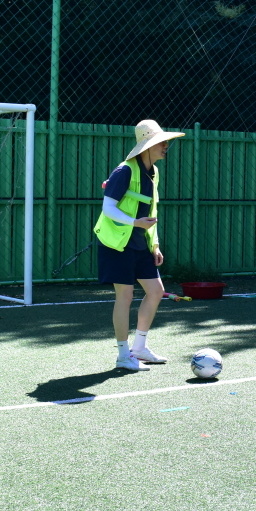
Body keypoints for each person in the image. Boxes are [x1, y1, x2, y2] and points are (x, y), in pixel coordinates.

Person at [95, 119, 185, 372]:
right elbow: (108, 208)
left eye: (165, 142)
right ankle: (123, 355)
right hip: (116, 243)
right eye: (161, 142)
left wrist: (154, 244)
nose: (166, 146)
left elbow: (151, 211)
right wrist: (135, 223)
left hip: (140, 243)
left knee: (156, 291)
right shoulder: (124, 171)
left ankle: (139, 349)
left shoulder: (154, 172)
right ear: (147, 145)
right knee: (124, 296)